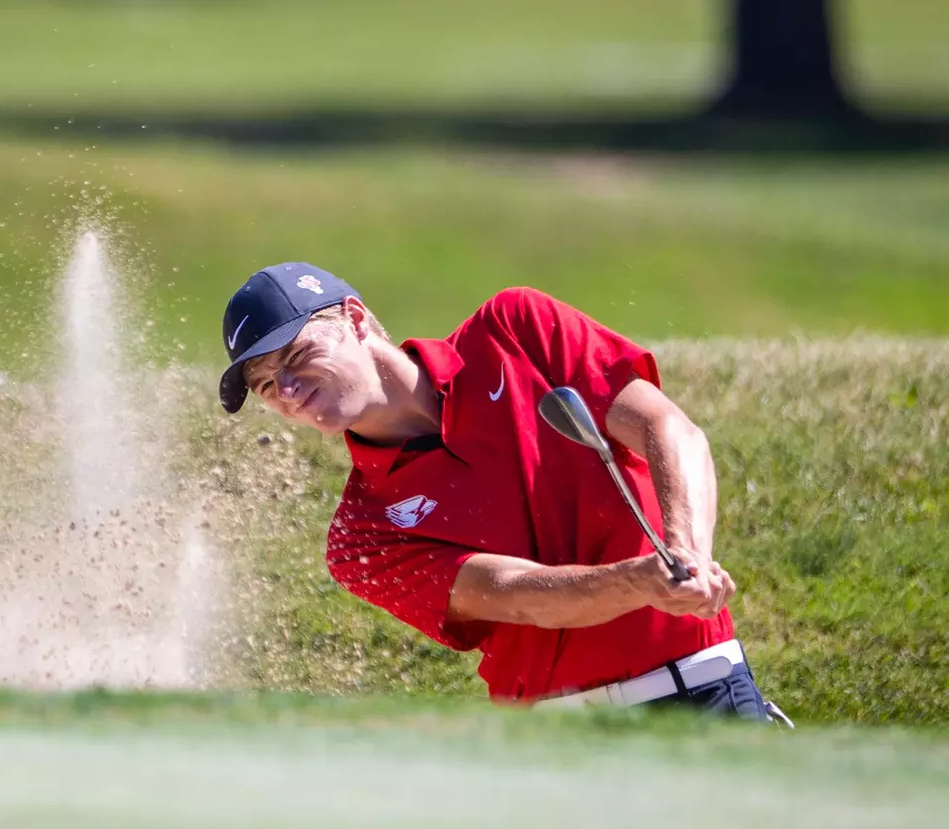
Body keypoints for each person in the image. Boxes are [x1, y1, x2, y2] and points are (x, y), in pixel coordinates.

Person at [219, 262, 791, 723]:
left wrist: (686, 551)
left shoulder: (515, 329)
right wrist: (639, 582)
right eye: (267, 386)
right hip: (555, 746)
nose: (287, 390)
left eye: (297, 356)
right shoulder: (361, 535)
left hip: (700, 691)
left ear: (356, 319)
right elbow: (513, 593)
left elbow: (667, 429)